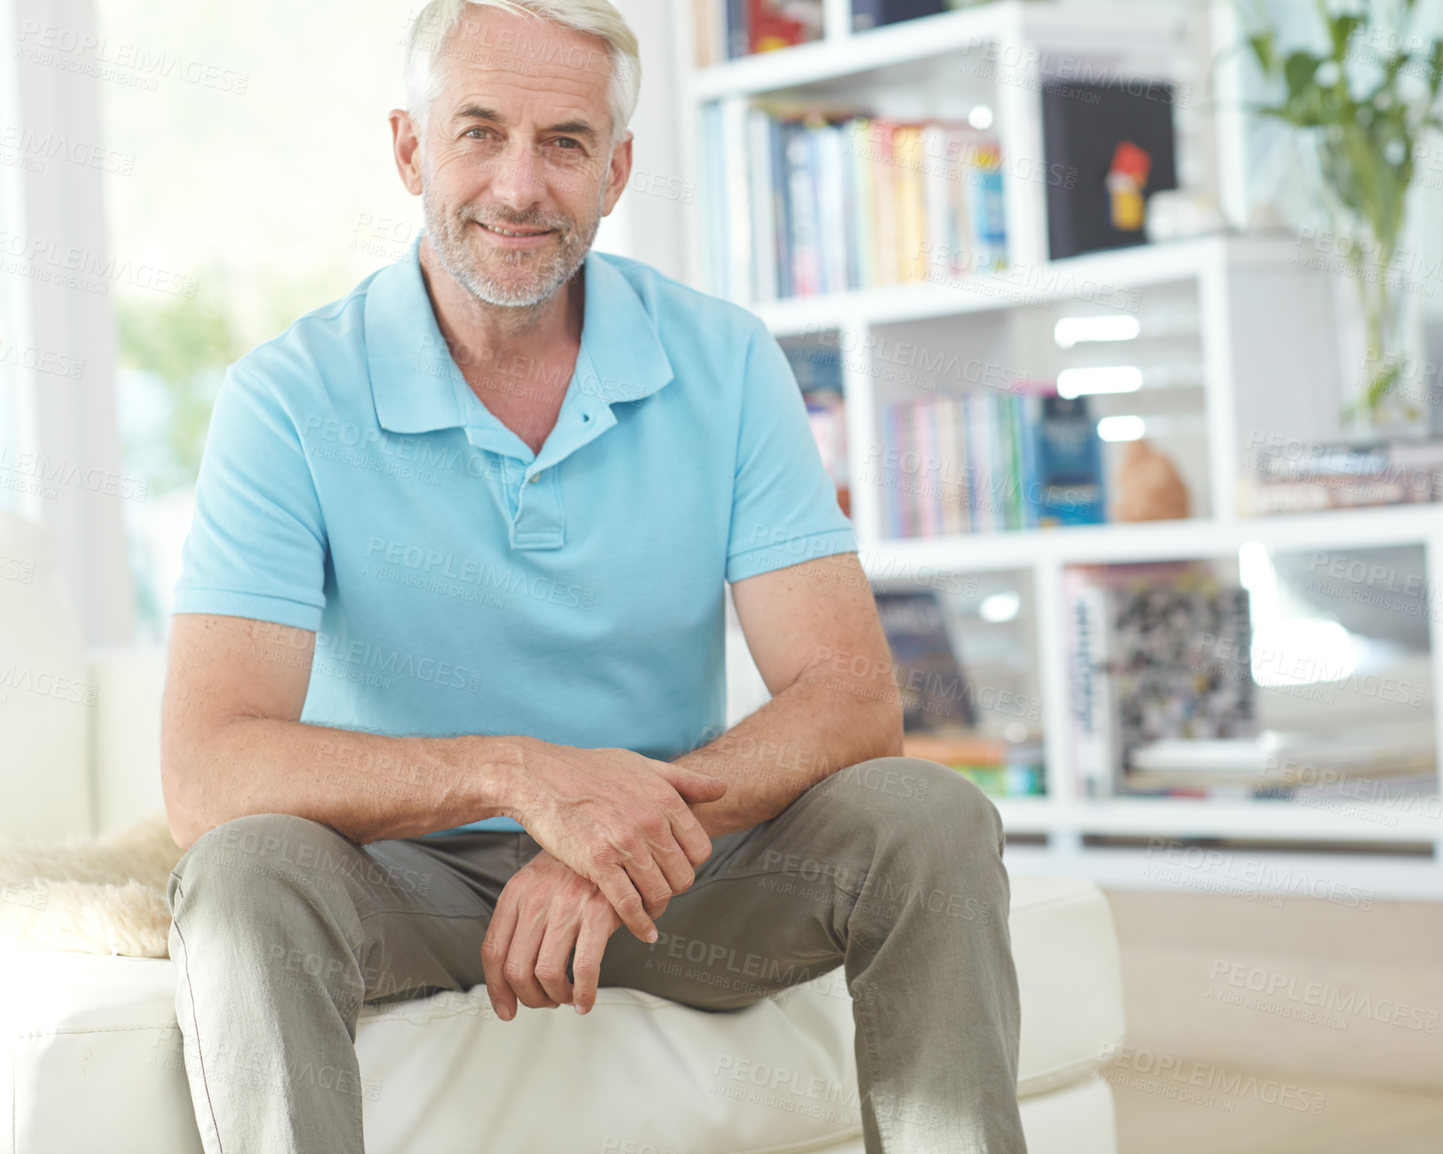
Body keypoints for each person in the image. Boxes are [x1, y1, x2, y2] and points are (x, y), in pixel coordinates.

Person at [159, 1, 1025, 1151]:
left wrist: (618, 838)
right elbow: (210, 766)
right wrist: (524, 778)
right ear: (411, 149)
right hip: (405, 879)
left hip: (679, 873)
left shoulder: (723, 359)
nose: (520, 186)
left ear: (615, 172)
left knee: (929, 815)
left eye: (564, 143)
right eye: (479, 133)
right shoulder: (287, 396)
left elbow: (849, 691)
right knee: (241, 868)